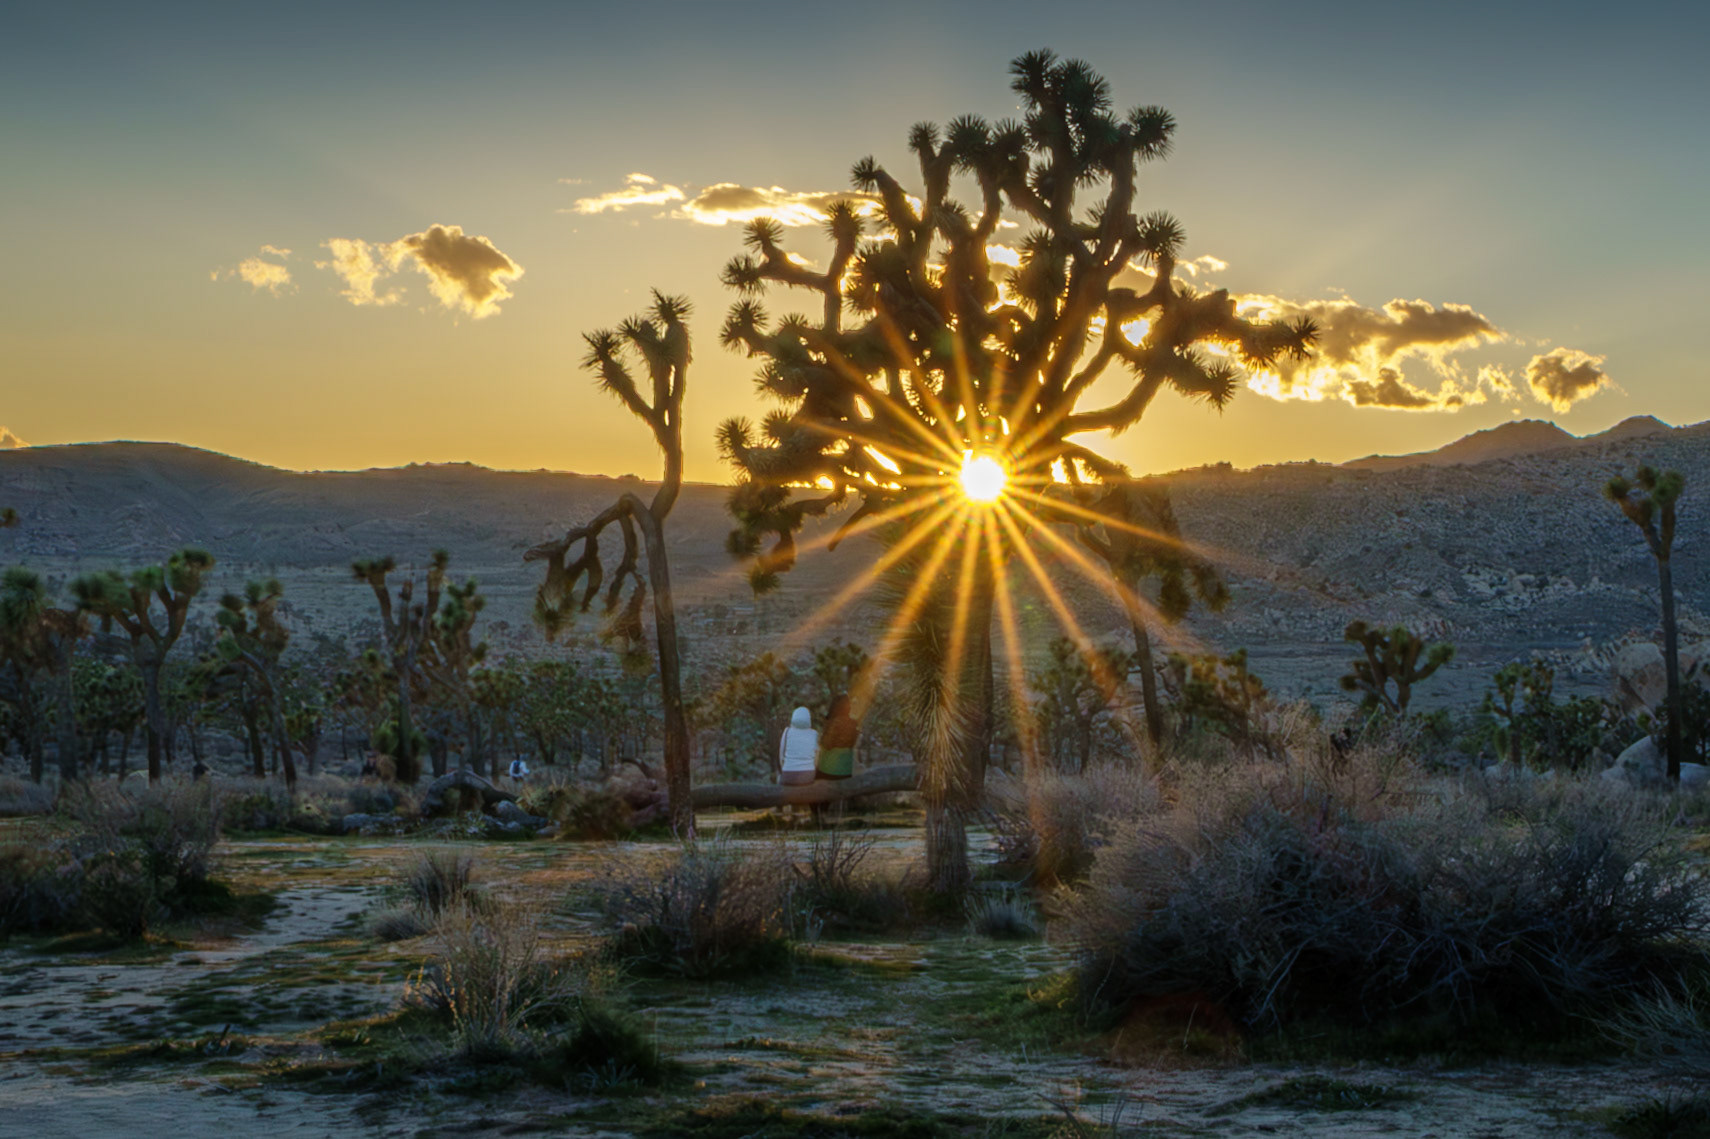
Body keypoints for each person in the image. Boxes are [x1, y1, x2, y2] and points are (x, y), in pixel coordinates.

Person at [817, 693, 859, 782]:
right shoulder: (854, 724)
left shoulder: (834, 723)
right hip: (846, 771)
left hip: (829, 771)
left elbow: (826, 744)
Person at [778, 706, 818, 786]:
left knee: (778, 778)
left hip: (788, 774)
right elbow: (816, 759)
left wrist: (786, 768)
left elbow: (781, 756)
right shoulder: (814, 733)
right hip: (808, 775)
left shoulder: (787, 731)